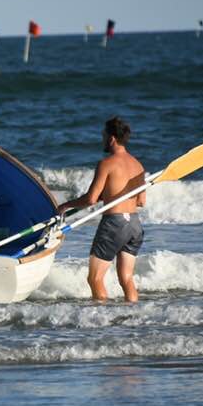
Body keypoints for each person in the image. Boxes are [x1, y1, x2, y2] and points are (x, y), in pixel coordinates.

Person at [57, 117, 146, 303]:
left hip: (114, 224)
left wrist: (65, 205)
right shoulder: (138, 165)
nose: (102, 139)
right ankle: (134, 313)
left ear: (112, 138)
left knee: (95, 278)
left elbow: (90, 199)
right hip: (134, 225)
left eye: (103, 135)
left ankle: (102, 316)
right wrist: (110, 195)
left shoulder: (106, 163)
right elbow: (141, 201)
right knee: (126, 278)